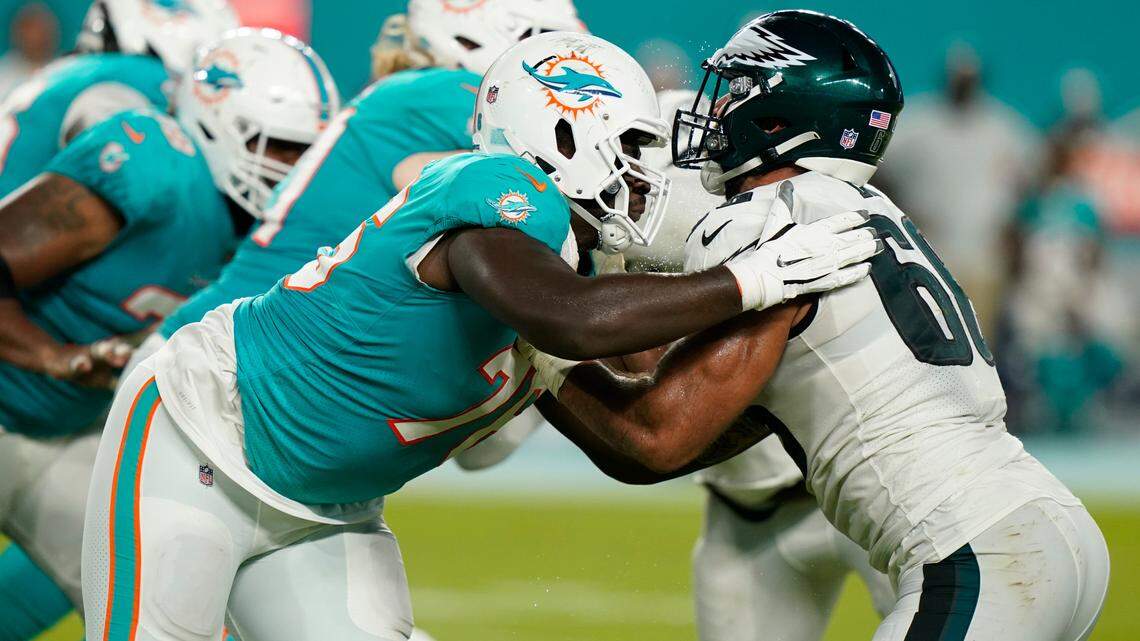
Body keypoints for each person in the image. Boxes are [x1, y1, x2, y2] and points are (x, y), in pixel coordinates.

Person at [81, 31, 878, 641]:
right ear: (561, 133)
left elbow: (649, 441)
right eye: (632, 144)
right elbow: (571, 316)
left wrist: (788, 380)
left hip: (328, 511)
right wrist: (754, 279)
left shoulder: (563, 272)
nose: (644, 172)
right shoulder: (498, 190)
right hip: (196, 445)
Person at [521, 12, 1109, 641]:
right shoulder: (867, 210)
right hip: (1041, 528)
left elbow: (657, 436)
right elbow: (707, 426)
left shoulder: (766, 219)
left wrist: (536, 349)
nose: (715, 113)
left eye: (737, 92)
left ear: (780, 118)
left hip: (976, 554)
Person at [0, 27, 338, 638]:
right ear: (218, 121)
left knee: (168, 611)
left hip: (63, 432)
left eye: (309, 153)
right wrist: (53, 356)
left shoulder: (277, 231)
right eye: (283, 147)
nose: (295, 170)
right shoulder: (155, 165)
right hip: (24, 394)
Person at [0, 2, 59, 99]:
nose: (35, 37)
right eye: (29, 29)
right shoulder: (4, 74)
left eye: (41, 30)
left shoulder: (64, 69)